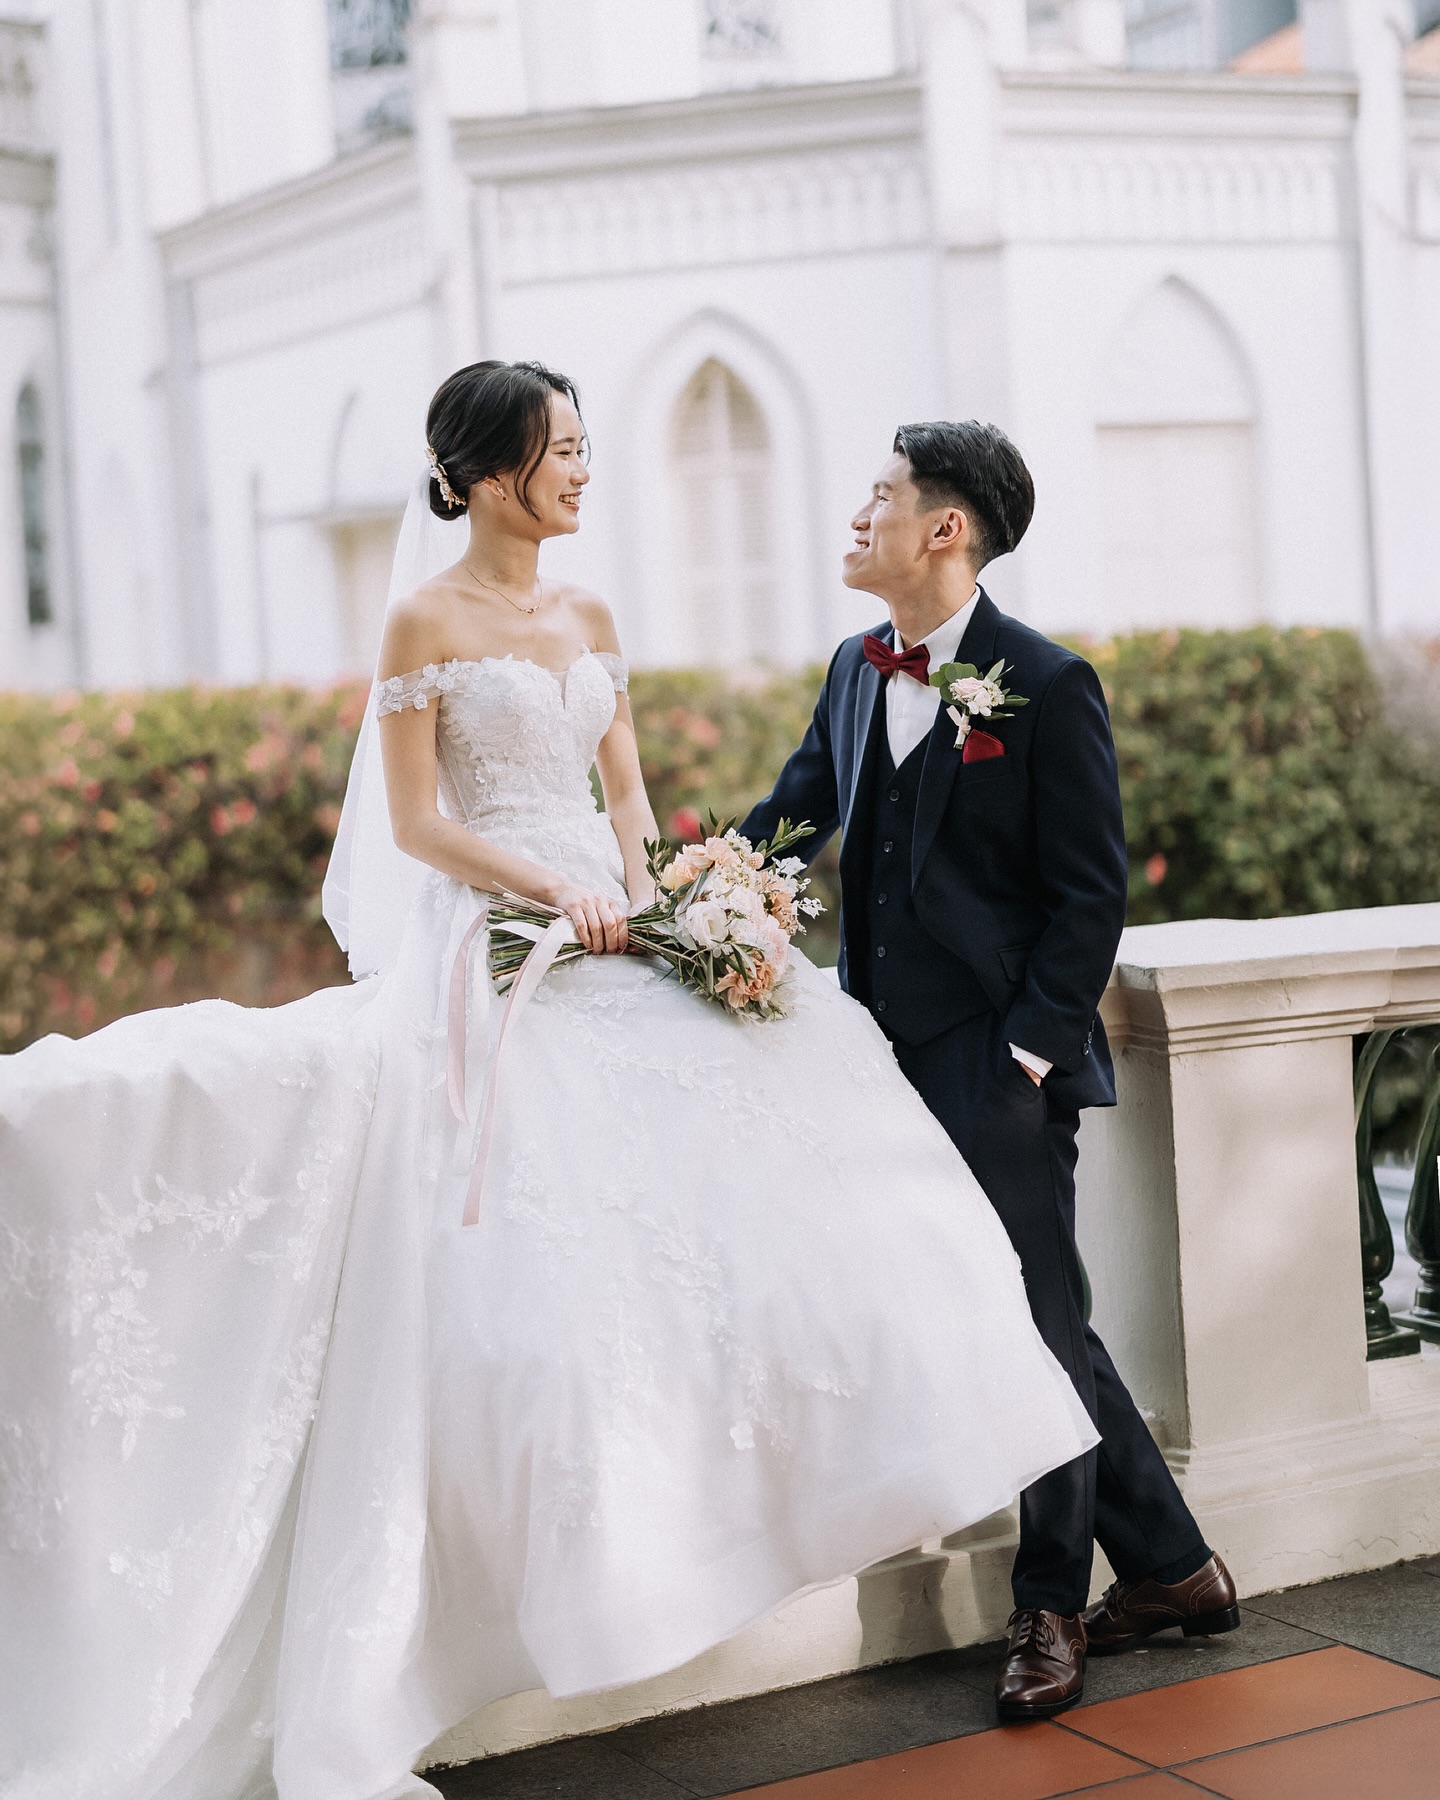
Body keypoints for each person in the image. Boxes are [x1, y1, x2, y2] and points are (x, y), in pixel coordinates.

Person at [0, 363, 1097, 1800]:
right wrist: (549, 891)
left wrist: (673, 915)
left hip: (616, 926)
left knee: (842, 1196)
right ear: (495, 469)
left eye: (585, 445)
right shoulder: (422, 618)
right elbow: (415, 821)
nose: (586, 470)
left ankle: (960, 1527)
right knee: (530, 1267)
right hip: (500, 935)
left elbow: (628, 798)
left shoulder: (590, 615)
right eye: (565, 449)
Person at [742, 419, 1240, 1721]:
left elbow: (1089, 896)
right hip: (877, 1058)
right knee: (1043, 1321)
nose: (857, 516)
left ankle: (1050, 1607)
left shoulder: (1047, 680)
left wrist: (1025, 1053)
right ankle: (1177, 1569)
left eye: (880, 496)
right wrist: (678, 902)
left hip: (996, 1063)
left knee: (1029, 1324)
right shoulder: (859, 668)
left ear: (943, 528)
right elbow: (793, 815)